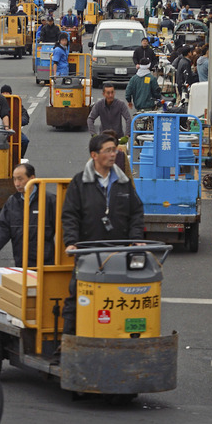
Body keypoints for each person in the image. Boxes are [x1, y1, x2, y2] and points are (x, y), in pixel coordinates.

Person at [61, 134, 144, 335]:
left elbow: (136, 212)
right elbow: (70, 215)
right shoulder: (80, 183)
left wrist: (136, 240)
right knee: (78, 298)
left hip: (119, 254)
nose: (113, 154)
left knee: (120, 298)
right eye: (107, 150)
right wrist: (72, 242)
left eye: (114, 150)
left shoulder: (123, 183)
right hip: (88, 252)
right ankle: (66, 347)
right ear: (94, 155)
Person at [0, 163, 55, 266]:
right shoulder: (12, 201)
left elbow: (64, 226)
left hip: (45, 262)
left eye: (20, 179)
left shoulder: (49, 200)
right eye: (14, 179)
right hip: (21, 261)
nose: (17, 184)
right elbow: (2, 225)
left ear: (32, 178)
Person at [0, 85, 29, 158]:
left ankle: (20, 157)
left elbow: (25, 116)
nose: (5, 94)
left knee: (25, 141)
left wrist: (20, 121)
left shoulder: (16, 103)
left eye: (7, 92)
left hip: (13, 129)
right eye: (3, 93)